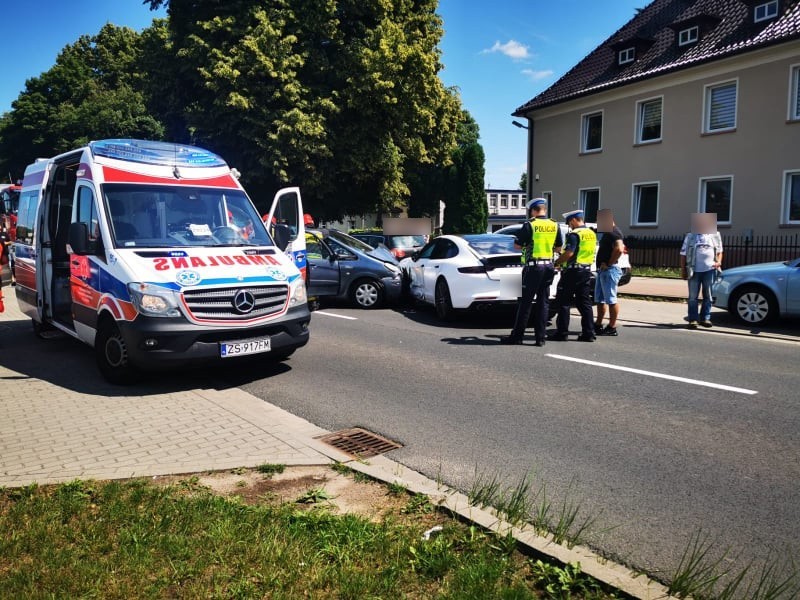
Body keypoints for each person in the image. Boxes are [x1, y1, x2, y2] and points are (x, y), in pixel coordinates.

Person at [500, 198, 562, 346]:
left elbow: (517, 245)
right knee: (543, 302)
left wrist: (527, 245)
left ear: (533, 210)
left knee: (525, 302)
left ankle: (517, 336)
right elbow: (559, 248)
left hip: (534, 267)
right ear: (545, 210)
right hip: (548, 266)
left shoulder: (530, 225)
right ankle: (540, 338)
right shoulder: (554, 225)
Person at [549, 210, 597, 342]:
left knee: (564, 302)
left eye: (570, 223)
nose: (570, 226)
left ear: (574, 220)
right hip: (586, 271)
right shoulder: (591, 233)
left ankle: (562, 332)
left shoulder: (575, 234)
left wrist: (557, 262)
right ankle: (589, 333)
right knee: (584, 303)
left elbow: (569, 253)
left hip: (572, 272)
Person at [680, 215, 723, 329]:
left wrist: (718, 262)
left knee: (708, 296)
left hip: (710, 270)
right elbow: (683, 254)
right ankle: (693, 319)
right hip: (694, 270)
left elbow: (719, 251)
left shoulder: (715, 235)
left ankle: (705, 318)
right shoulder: (690, 236)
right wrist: (683, 269)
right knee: (693, 297)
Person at [594, 208, 625, 336]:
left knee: (611, 300)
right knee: (600, 299)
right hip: (603, 271)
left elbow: (619, 249)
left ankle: (612, 327)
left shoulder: (614, 232)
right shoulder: (608, 232)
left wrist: (609, 263)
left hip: (610, 270)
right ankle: (598, 324)